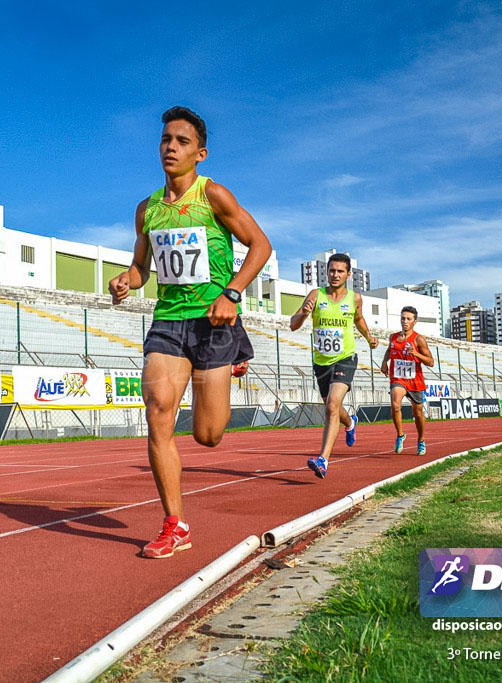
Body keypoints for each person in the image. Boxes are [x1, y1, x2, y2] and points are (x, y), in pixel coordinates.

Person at [109, 106, 272, 559]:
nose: (170, 147)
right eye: (165, 139)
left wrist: (234, 293)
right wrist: (127, 280)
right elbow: (142, 268)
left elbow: (261, 245)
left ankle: (235, 356)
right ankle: (174, 524)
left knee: (207, 435)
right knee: (158, 409)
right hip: (168, 321)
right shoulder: (147, 210)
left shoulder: (213, 195)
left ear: (199, 153)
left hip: (214, 322)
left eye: (181, 141)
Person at [290, 253, 378, 479]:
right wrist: (304, 313)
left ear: (348, 274)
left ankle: (323, 460)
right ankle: (350, 422)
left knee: (331, 406)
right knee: (333, 408)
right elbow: (293, 324)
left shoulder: (355, 298)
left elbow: (358, 319)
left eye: (340, 271)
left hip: (345, 358)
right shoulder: (315, 295)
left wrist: (369, 337)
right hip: (321, 362)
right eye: (332, 270)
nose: (335, 275)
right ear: (326, 272)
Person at [380, 306, 434, 455]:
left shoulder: (418, 339)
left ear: (414, 322)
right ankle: (400, 435)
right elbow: (389, 350)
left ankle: (421, 440)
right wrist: (385, 362)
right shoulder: (393, 337)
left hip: (414, 380)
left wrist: (416, 353)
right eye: (403, 318)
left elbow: (431, 362)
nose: (405, 321)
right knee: (395, 405)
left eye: (408, 319)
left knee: (418, 414)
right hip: (398, 378)